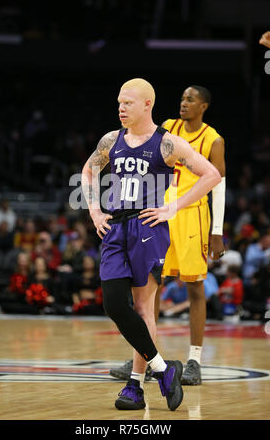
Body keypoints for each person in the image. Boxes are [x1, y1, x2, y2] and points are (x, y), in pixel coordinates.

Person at [82, 78, 221, 411]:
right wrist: (94, 210)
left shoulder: (166, 143)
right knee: (114, 304)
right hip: (115, 227)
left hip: (147, 228)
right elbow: (88, 172)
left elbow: (211, 175)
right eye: (118, 102)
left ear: (147, 105)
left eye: (127, 102)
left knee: (144, 308)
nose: (120, 108)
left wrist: (174, 206)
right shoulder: (111, 140)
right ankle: (162, 369)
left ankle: (135, 385)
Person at [111, 85, 226, 386]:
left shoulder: (213, 138)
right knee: (150, 289)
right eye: (182, 98)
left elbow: (218, 180)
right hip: (157, 213)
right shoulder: (166, 129)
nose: (183, 103)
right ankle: (148, 357)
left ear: (204, 106)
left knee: (195, 288)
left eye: (191, 99)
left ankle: (195, 360)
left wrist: (217, 229)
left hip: (193, 214)